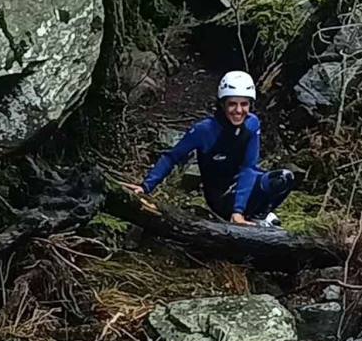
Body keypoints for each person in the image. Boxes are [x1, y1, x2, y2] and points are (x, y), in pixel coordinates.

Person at [124, 70, 295, 228]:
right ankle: (243, 218)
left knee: (283, 178)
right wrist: (146, 186)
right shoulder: (204, 130)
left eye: (244, 104)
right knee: (257, 185)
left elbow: (249, 167)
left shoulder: (252, 123)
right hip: (221, 197)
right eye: (232, 104)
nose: (238, 110)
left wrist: (239, 210)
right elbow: (171, 157)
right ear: (222, 104)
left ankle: (257, 216)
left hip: (243, 186)